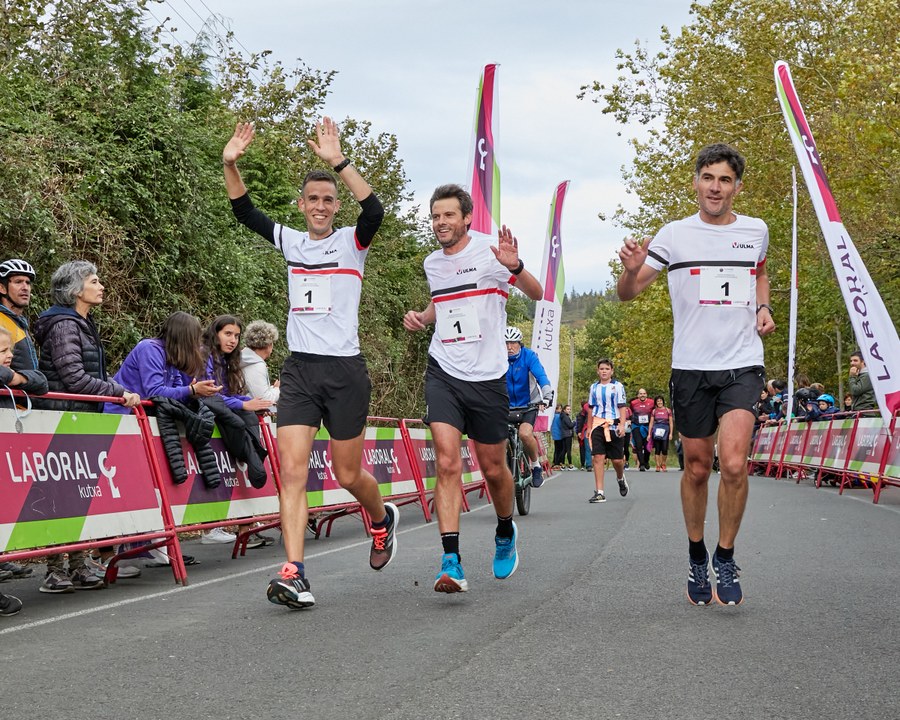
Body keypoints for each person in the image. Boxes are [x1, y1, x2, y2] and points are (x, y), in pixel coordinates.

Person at [223, 118, 398, 609]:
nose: (320, 207)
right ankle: (295, 570)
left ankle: (380, 519)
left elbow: (374, 207)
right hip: (300, 370)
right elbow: (244, 212)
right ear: (301, 206)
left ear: (334, 206)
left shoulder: (352, 243)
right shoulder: (291, 242)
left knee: (347, 475)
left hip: (344, 372)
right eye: (312, 200)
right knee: (293, 472)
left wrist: (337, 161)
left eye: (327, 200)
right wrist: (230, 163)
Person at [617, 143, 775, 606]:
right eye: (708, 177)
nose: (715, 187)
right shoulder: (673, 235)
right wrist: (629, 272)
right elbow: (628, 293)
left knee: (732, 463)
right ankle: (695, 552)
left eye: (725, 179)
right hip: (691, 367)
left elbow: (759, 274)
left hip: (742, 362)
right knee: (698, 467)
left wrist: (762, 305)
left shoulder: (756, 230)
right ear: (696, 182)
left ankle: (725, 556)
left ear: (737, 187)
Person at [403, 183, 543, 593]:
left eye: (448, 215)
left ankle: (504, 529)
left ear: (466, 218)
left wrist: (515, 268)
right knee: (446, 463)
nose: (440, 223)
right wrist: (424, 318)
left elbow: (537, 294)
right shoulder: (433, 263)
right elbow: (444, 301)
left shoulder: (490, 251)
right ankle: (451, 561)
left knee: (493, 468)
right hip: (444, 369)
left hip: (486, 377)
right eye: (435, 216)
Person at [504, 326, 553, 486]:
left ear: (520, 343)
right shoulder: (497, 357)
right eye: (506, 343)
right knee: (499, 439)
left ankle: (535, 465)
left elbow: (541, 376)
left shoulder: (529, 356)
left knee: (525, 434)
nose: (509, 347)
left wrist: (547, 396)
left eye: (513, 343)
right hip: (505, 406)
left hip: (529, 405)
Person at [586, 358, 629, 503]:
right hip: (598, 424)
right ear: (597, 371)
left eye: (607, 369)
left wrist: (622, 425)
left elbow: (622, 406)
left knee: (617, 460)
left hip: (614, 424)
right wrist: (589, 427)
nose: (604, 371)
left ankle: (620, 477)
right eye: (601, 369)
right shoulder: (594, 387)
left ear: (611, 371)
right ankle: (599, 492)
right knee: (598, 457)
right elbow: (590, 408)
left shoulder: (617, 386)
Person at [240, 320, 281, 411]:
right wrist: (278, 389)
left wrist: (271, 389)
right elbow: (263, 400)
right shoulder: (255, 365)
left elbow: (252, 391)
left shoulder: (245, 358)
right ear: (269, 344)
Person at [629, 388, 655, 471]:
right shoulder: (633, 403)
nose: (642, 395)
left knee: (647, 446)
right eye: (640, 394)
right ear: (638, 395)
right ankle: (642, 465)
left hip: (647, 427)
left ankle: (646, 460)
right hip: (636, 426)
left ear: (646, 394)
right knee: (638, 445)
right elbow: (631, 413)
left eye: (644, 393)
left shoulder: (651, 402)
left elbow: (654, 412)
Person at [648, 395, 673, 472]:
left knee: (664, 449)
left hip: (665, 430)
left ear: (663, 401)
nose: (659, 402)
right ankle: (658, 465)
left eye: (661, 401)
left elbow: (671, 423)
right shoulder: (654, 411)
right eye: (658, 401)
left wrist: (671, 433)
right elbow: (651, 423)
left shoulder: (668, 410)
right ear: (656, 403)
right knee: (657, 449)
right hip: (656, 431)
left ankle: (664, 464)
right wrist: (649, 434)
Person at [576, 401, 593, 470]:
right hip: (587, 428)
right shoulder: (586, 406)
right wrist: (579, 431)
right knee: (588, 447)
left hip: (598, 426)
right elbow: (581, 420)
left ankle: (597, 463)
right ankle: (589, 464)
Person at [560, 404, 575, 469]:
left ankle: (562, 463)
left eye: (570, 409)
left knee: (564, 449)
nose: (569, 411)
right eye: (568, 409)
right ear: (564, 410)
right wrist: (574, 422)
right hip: (568, 434)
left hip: (564, 434)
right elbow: (570, 425)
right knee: (568, 450)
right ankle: (570, 464)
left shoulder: (563, 416)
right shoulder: (565, 417)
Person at [550, 403, 564, 468]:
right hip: (559, 434)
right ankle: (557, 462)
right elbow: (561, 425)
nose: (560, 410)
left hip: (554, 434)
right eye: (560, 408)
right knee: (560, 449)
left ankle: (554, 461)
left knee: (556, 449)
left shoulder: (553, 416)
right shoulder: (559, 416)